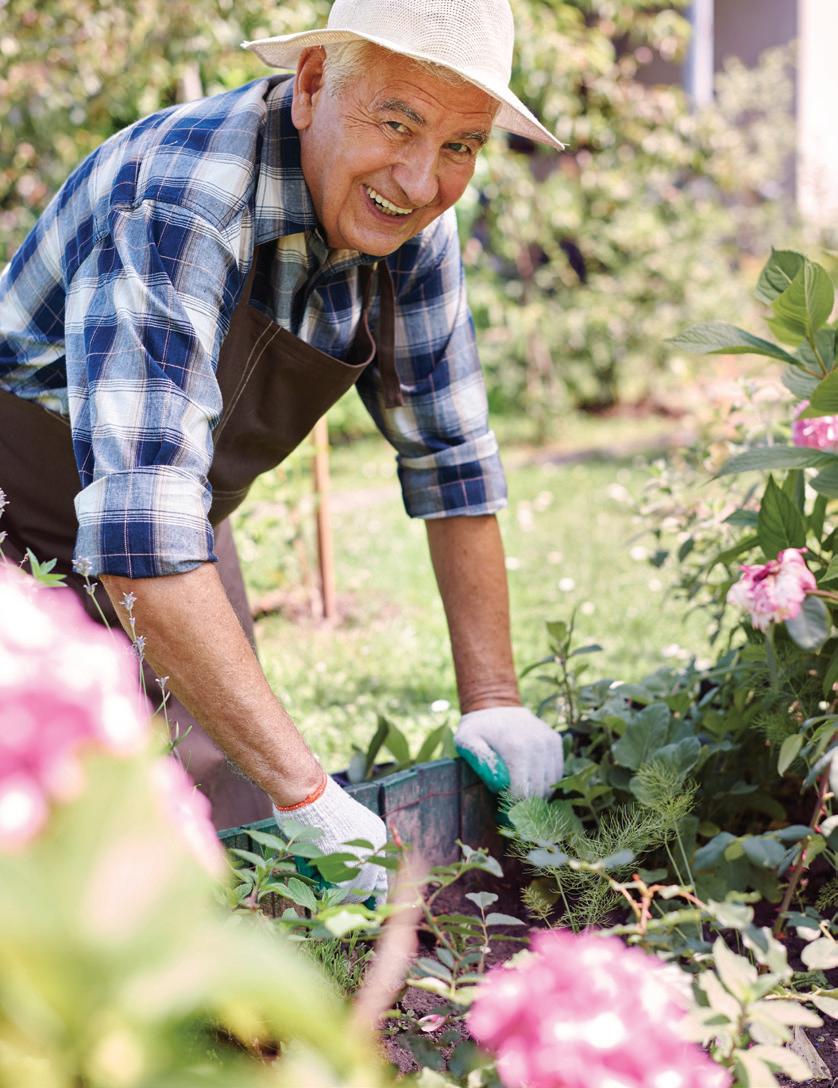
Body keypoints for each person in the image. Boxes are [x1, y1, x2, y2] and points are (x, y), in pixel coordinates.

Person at [0, 0, 565, 900]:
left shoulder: (410, 220)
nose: (421, 180)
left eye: (461, 144)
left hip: (177, 511)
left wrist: (494, 698)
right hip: (19, 509)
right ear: (310, 86)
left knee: (221, 793)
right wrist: (313, 797)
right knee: (45, 814)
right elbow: (141, 538)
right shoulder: (180, 197)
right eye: (397, 123)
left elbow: (451, 458)